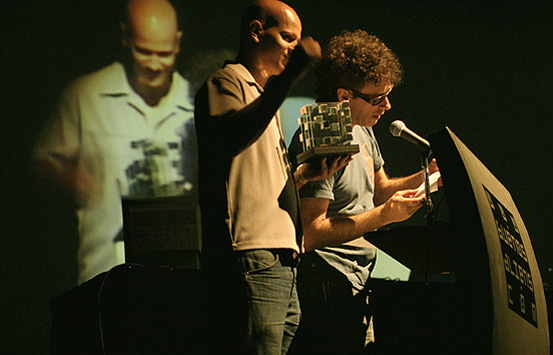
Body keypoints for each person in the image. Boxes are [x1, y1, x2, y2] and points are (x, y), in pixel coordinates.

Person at [193, 1, 350, 354]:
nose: (293, 48)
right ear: (255, 32)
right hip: (253, 252)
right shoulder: (226, 81)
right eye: (286, 38)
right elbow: (231, 136)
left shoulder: (261, 96)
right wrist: (289, 77)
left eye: (296, 41)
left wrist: (301, 176)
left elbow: (252, 175)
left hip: (280, 257)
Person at [287, 29, 438, 354]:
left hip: (355, 281)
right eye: (377, 98)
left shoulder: (363, 131)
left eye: (388, 94)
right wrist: (384, 216)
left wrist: (429, 175)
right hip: (325, 286)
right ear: (344, 95)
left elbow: (380, 189)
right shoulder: (324, 139)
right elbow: (310, 235)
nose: (387, 105)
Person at [32, 0, 196, 284]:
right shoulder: (85, 95)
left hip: (181, 281)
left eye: (164, 53)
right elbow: (39, 164)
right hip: (105, 279)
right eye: (144, 51)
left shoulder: (197, 102)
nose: (155, 64)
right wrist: (68, 176)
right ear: (125, 37)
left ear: (178, 43)